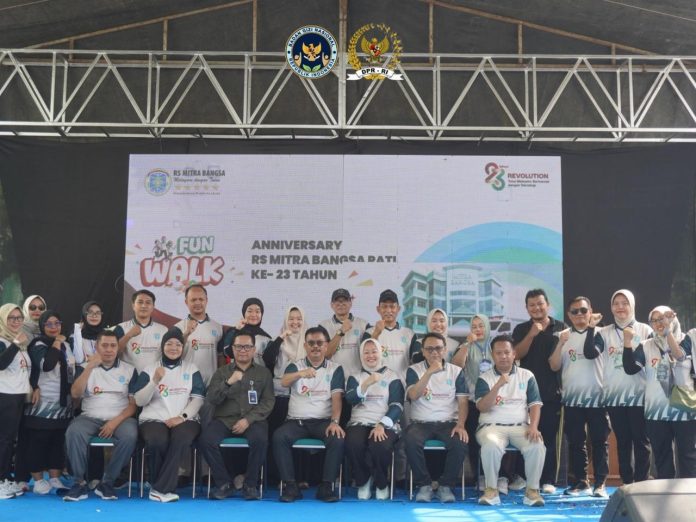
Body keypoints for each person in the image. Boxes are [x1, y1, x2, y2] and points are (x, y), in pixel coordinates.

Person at [272, 326, 345, 503]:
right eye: (311, 343)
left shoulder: (335, 369)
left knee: (337, 438)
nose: (315, 346)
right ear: (305, 346)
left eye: (319, 343)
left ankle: (326, 486)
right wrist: (301, 373)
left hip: (323, 422)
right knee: (279, 437)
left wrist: (335, 422)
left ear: (326, 346)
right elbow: (284, 382)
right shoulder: (295, 366)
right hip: (296, 422)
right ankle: (290, 485)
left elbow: (337, 399)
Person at [198, 331, 274, 500]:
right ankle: (224, 484)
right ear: (232, 349)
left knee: (260, 440)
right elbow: (212, 399)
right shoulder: (222, 372)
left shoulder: (264, 373)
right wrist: (228, 382)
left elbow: (268, 402)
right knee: (206, 440)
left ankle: (250, 485)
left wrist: (248, 420)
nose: (243, 350)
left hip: (253, 420)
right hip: (224, 419)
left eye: (247, 347)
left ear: (253, 349)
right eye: (239, 347)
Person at [63, 330, 138, 502]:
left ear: (118, 347)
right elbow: (75, 394)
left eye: (113, 345)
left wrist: (114, 422)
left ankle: (107, 482)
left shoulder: (129, 370)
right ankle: (79, 483)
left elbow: (133, 405)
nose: (109, 349)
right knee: (74, 432)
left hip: (120, 418)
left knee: (130, 435)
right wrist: (90, 367)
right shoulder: (84, 367)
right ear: (97, 346)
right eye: (104, 345)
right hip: (90, 416)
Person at [133, 328, 206, 502]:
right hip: (154, 418)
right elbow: (139, 401)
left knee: (181, 439)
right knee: (157, 440)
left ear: (183, 347)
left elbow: (198, 399)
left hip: (186, 419)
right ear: (162, 346)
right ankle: (162, 486)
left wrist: (182, 417)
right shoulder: (150, 369)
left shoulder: (191, 369)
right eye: (169, 344)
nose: (174, 348)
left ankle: (159, 488)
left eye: (178, 344)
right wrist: (154, 381)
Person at [622, 307, 696, 479]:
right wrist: (627, 343)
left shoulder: (687, 340)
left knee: (688, 456)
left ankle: (690, 492)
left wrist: (668, 331)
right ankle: (665, 492)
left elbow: (678, 356)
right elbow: (630, 368)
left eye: (662, 318)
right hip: (656, 411)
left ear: (672, 319)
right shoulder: (646, 345)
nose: (658, 323)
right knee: (662, 458)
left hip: (684, 409)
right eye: (654, 320)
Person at [589, 289, 653, 484]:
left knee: (641, 442)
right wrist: (591, 327)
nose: (620, 307)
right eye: (616, 303)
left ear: (632, 305)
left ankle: (641, 483)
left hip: (640, 396)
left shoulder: (645, 330)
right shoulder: (604, 332)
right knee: (623, 442)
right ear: (611, 307)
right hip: (615, 396)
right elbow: (591, 353)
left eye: (624, 303)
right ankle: (627, 483)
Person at [475, 334, 545, 507]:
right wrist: (498, 385)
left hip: (520, 427)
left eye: (507, 352)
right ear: (493, 355)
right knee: (491, 445)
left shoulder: (527, 375)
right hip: (490, 427)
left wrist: (534, 426)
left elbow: (535, 405)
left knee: (537, 445)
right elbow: (482, 407)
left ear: (514, 354)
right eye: (498, 353)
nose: (503, 356)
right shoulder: (484, 378)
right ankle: (491, 491)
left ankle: (532, 492)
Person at [548, 297, 609, 497]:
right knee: (576, 442)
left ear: (591, 311)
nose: (579, 314)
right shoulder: (563, 336)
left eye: (583, 310)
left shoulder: (602, 333)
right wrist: (560, 343)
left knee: (600, 442)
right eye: (575, 311)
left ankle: (600, 483)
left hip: (598, 398)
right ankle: (580, 482)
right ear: (569, 315)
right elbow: (554, 366)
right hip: (572, 399)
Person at [404, 332, 468, 503]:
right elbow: (413, 395)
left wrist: (460, 425)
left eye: (438, 348)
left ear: (445, 350)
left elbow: (463, 402)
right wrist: (429, 373)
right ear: (423, 351)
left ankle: (445, 486)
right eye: (429, 349)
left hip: (448, 423)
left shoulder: (456, 371)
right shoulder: (414, 370)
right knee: (410, 440)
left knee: (460, 443)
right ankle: (424, 485)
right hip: (421, 423)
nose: (434, 352)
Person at [512, 288, 566, 493]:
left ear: (548, 305)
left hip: (552, 393)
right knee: (524, 436)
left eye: (540, 304)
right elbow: (516, 355)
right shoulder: (521, 329)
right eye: (532, 305)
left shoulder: (560, 327)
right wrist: (531, 335)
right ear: (527, 308)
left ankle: (548, 479)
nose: (536, 308)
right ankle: (521, 477)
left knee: (549, 438)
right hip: (524, 394)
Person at [23, 311, 76, 494]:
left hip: (63, 404)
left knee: (57, 441)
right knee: (39, 441)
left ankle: (55, 478)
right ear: (42, 326)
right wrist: (57, 342)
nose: (54, 327)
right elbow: (47, 365)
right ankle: (38, 480)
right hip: (42, 403)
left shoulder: (67, 345)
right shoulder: (38, 344)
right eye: (49, 324)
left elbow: (71, 370)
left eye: (57, 323)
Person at [344, 338, 404, 500]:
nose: (370, 356)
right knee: (353, 443)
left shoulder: (392, 376)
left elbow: (397, 405)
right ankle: (363, 480)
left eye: (374, 351)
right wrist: (366, 383)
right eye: (366, 352)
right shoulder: (354, 377)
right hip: (359, 421)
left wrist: (382, 424)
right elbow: (350, 399)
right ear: (361, 355)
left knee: (380, 445)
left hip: (384, 423)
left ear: (381, 353)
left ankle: (381, 483)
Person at [0, 304, 31, 499]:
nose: (16, 321)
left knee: (10, 440)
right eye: (11, 318)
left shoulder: (20, 342)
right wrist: (15, 343)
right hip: (5, 395)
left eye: (19, 318)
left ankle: (5, 478)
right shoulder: (3, 340)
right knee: (4, 440)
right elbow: (1, 364)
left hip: (18, 396)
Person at [364, 290, 420, 379]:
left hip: (403, 383)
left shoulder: (409, 334)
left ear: (398, 309)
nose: (388, 310)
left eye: (392, 306)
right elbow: (365, 359)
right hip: (377, 384)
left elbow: (416, 362)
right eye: (384, 306)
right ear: (378, 309)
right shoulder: (369, 332)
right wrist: (376, 333)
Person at [173, 284, 223, 385]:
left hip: (211, 386)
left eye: (201, 299)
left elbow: (221, 356)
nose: (198, 303)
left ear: (206, 300)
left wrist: (220, 380)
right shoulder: (178, 327)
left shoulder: (218, 327)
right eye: (193, 300)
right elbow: (172, 354)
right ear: (186, 302)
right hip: (186, 385)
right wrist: (186, 333)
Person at [114, 289, 168, 373]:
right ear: (133, 305)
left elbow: (168, 356)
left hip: (153, 378)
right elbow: (112, 353)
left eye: (148, 302)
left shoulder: (163, 330)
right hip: (128, 377)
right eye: (140, 302)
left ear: (153, 306)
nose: (144, 306)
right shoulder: (121, 328)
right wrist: (128, 335)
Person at [320, 288, 368, 379]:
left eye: (344, 300)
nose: (341, 304)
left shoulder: (363, 325)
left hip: (357, 379)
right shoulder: (323, 326)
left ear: (350, 303)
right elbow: (325, 355)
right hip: (333, 379)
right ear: (331, 305)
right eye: (337, 301)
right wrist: (341, 331)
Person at [221, 298, 272, 364]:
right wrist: (237, 330)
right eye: (250, 311)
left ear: (261, 314)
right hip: (236, 370)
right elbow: (227, 353)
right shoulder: (233, 331)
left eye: (257, 311)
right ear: (244, 313)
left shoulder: (266, 337)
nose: (253, 315)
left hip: (259, 370)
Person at [71, 301, 106, 366]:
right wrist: (78, 332)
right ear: (84, 315)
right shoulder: (77, 334)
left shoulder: (107, 335)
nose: (94, 316)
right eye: (90, 312)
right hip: (84, 371)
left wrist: (95, 358)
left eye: (98, 313)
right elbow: (78, 359)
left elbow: (112, 356)